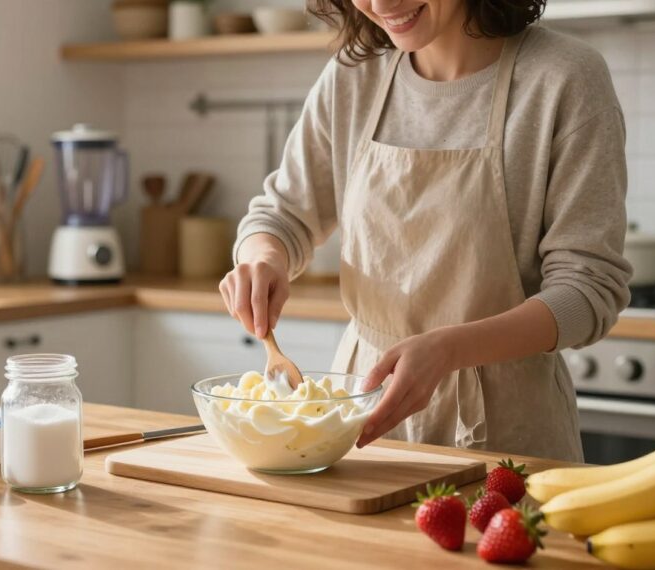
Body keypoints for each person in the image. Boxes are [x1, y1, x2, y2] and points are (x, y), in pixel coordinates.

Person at [218, 0, 631, 461]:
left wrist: (452, 348)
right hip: (359, 424)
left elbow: (588, 290)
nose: (380, 4)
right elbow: (281, 215)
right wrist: (263, 259)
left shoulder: (563, 78)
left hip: (507, 440)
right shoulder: (354, 75)